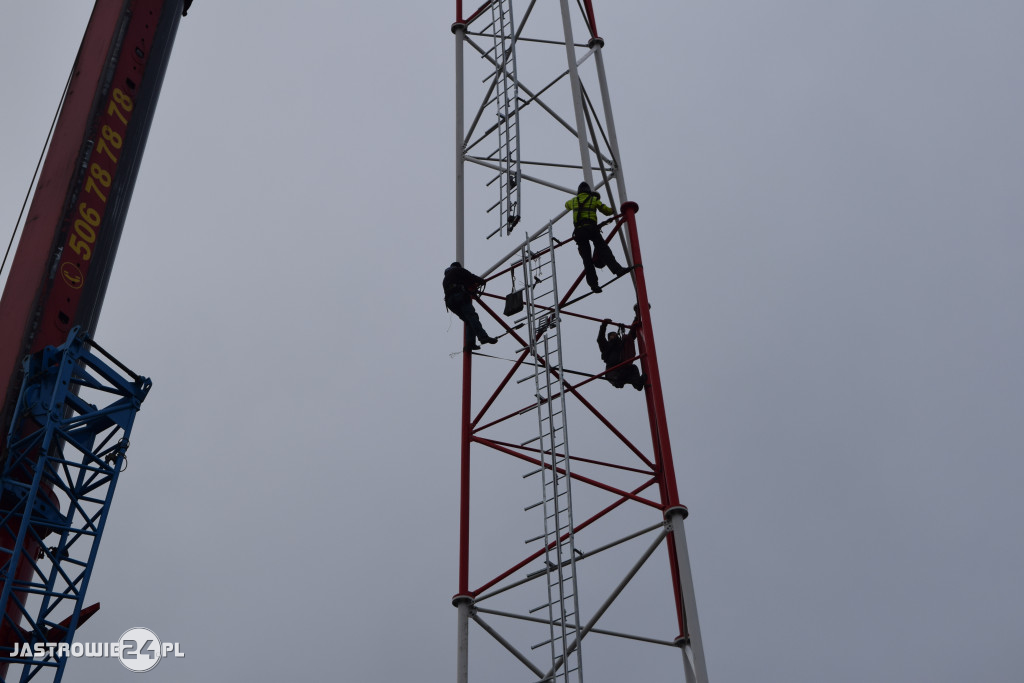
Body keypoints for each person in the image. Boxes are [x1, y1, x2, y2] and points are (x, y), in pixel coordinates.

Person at [565, 182, 628, 293]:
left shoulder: (573, 201)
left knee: (587, 260)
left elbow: (566, 205)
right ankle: (617, 270)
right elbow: (607, 211)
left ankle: (593, 285)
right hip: (591, 228)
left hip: (579, 232)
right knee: (603, 249)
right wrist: (613, 209)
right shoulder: (594, 200)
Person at [443, 262, 499, 351]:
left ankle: (470, 344)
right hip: (459, 296)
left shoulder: (446, 278)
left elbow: (463, 282)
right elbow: (471, 277)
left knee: (468, 320)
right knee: (472, 317)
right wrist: (481, 281)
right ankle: (483, 337)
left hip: (450, 302)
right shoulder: (458, 270)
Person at [597, 318, 647, 391]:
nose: (613, 336)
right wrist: (604, 325)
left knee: (633, 368)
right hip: (612, 369)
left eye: (614, 335)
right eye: (611, 335)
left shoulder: (622, 344)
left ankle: (638, 383)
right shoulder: (606, 346)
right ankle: (617, 381)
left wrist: (637, 317)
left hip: (623, 368)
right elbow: (600, 339)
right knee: (615, 377)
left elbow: (631, 334)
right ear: (609, 338)